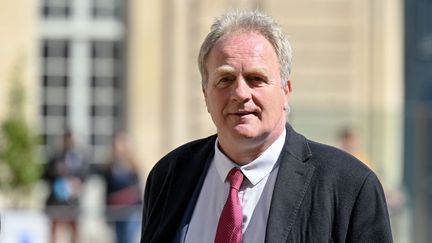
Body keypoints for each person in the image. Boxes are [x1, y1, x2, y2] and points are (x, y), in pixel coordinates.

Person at [140, 10, 393, 243]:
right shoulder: (169, 175)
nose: (240, 93)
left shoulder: (348, 185)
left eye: (256, 79)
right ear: (205, 93)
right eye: (225, 79)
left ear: (286, 91)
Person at [44, 131, 87, 243]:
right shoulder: (55, 158)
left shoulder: (77, 158)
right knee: (55, 229)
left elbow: (84, 176)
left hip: (72, 201)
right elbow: (46, 175)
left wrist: (77, 182)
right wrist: (57, 171)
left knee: (74, 230)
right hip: (57, 200)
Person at [103, 132, 142, 243]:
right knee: (119, 239)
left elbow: (136, 189)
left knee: (128, 238)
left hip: (131, 209)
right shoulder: (110, 167)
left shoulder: (133, 166)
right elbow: (108, 190)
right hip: (116, 210)